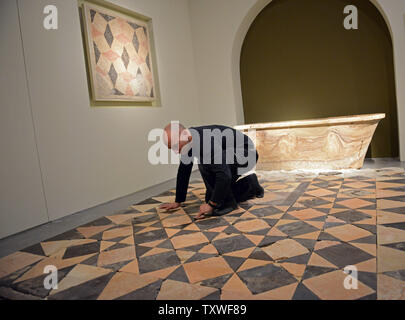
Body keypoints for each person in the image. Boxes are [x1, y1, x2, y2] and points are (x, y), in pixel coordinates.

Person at [159, 123, 264, 219]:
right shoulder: (188, 140)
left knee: (214, 192)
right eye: (171, 148)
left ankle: (228, 204)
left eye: (175, 146)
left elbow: (224, 175)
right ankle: (250, 184)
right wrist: (178, 201)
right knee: (212, 196)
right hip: (230, 154)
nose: (176, 152)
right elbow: (184, 170)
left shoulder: (205, 141)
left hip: (246, 153)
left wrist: (212, 204)